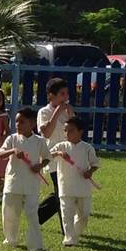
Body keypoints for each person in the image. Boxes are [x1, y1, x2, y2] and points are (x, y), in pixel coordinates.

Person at [0, 107, 49, 251]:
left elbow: (47, 157)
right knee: (9, 212)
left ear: (32, 124)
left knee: (32, 213)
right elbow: (0, 153)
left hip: (31, 183)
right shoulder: (12, 139)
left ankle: (35, 245)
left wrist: (39, 166)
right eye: (16, 122)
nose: (18, 125)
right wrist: (13, 151)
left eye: (22, 122)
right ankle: (10, 239)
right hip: (13, 182)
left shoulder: (39, 141)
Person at [50, 116, 100, 246]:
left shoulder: (87, 148)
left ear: (80, 131)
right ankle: (69, 238)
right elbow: (47, 155)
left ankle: (75, 233)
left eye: (70, 130)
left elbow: (95, 164)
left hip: (83, 187)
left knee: (84, 214)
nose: (67, 133)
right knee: (66, 214)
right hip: (65, 186)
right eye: (65, 130)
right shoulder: (61, 146)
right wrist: (59, 154)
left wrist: (90, 171)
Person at [37, 78, 75, 230]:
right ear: (51, 96)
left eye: (66, 94)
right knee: (61, 193)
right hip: (53, 158)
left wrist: (70, 114)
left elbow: (75, 133)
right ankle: (65, 228)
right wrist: (58, 111)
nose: (65, 97)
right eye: (62, 94)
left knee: (64, 193)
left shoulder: (67, 112)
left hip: (69, 157)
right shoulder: (44, 112)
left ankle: (37, 215)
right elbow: (46, 133)